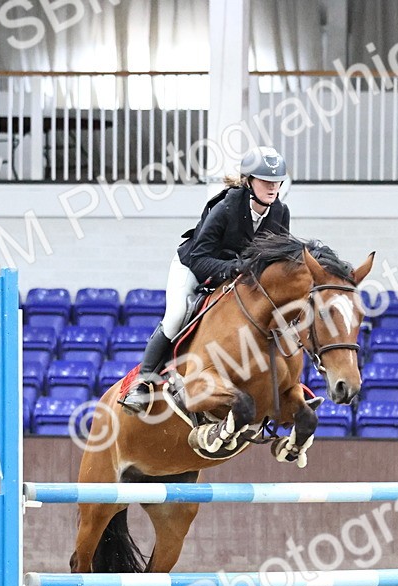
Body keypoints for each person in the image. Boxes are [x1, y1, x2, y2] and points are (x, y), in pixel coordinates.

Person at [118, 145, 291, 413]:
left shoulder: (280, 212)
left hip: (237, 275)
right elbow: (200, 258)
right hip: (193, 265)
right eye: (266, 181)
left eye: (276, 181)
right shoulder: (226, 207)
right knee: (177, 314)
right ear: (249, 182)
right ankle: (143, 381)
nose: (272, 187)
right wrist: (235, 267)